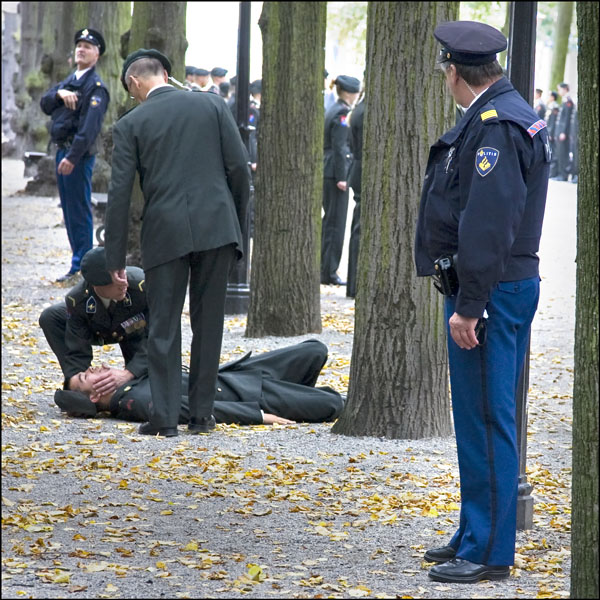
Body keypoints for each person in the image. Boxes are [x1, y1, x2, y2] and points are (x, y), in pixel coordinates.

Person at [414, 21, 550, 584]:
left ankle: (491, 549)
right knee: (474, 417)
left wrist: (470, 305)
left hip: (490, 290)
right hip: (491, 286)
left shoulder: (495, 126)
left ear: (453, 72)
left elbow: (489, 226)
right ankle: (476, 528)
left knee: (488, 416)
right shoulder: (502, 112)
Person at [103, 49, 250, 438]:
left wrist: (114, 259)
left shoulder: (131, 123)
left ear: (135, 82)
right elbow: (239, 169)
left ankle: (166, 418)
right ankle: (202, 416)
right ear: (166, 75)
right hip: (218, 227)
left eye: (130, 91)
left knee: (164, 325)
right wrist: (236, 228)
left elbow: (119, 196)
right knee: (209, 323)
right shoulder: (212, 106)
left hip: (165, 232)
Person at [53, 340, 344, 427]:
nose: (95, 368)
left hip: (237, 374)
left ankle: (300, 397)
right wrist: (260, 416)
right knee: (334, 404)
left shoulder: (128, 381)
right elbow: (194, 408)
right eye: (86, 376)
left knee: (315, 350)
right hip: (248, 396)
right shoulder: (135, 402)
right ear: (93, 397)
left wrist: (127, 372)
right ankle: (299, 400)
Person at [40, 28, 109, 282]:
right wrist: (59, 93)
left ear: (97, 54)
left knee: (79, 210)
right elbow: (45, 103)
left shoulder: (95, 87)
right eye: (79, 45)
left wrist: (72, 157)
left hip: (77, 156)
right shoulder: (69, 81)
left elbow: (89, 129)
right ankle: (76, 263)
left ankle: (83, 266)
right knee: (69, 211)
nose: (81, 49)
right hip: (62, 152)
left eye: (88, 46)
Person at [39, 246, 148, 394]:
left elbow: (160, 335)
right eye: (116, 280)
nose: (124, 283)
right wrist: (80, 385)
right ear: (96, 285)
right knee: (50, 316)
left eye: (123, 274)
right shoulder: (77, 299)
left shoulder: (143, 286)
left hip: (134, 334)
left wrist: (129, 373)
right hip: (96, 329)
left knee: (140, 387)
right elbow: (77, 350)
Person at [321, 75, 360, 286]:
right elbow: (340, 148)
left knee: (330, 221)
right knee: (335, 224)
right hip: (335, 172)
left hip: (328, 169)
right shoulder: (342, 113)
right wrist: (342, 176)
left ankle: (326, 268)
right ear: (349, 93)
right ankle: (329, 270)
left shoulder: (334, 109)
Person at [346, 91, 365, 298]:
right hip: (362, 170)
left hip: (358, 170)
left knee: (358, 228)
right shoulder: (365, 109)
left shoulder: (359, 108)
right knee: (360, 229)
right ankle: (355, 283)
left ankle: (354, 283)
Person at [551, 82, 575, 181]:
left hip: (563, 133)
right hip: (559, 131)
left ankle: (563, 174)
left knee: (563, 153)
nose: (559, 91)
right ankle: (560, 174)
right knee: (559, 153)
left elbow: (566, 119)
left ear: (565, 89)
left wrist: (563, 132)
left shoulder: (568, 101)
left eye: (560, 89)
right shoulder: (564, 101)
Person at [545, 91, 560, 178]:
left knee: (553, 152)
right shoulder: (550, 106)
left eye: (549, 96)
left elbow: (553, 122)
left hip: (552, 133)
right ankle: (552, 172)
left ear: (553, 97)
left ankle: (554, 172)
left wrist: (551, 133)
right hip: (549, 131)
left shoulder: (554, 106)